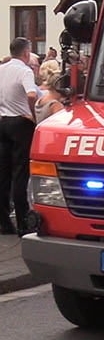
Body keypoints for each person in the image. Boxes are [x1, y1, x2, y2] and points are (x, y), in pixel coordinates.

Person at [0, 37, 38, 235]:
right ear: (26, 53)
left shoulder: (2, 69)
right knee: (20, 171)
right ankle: (23, 222)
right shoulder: (24, 71)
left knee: (4, 172)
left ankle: (4, 221)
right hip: (20, 122)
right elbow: (31, 94)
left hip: (3, 121)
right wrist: (32, 115)